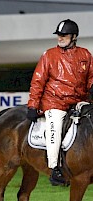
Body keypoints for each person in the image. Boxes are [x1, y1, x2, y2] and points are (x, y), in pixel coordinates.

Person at [27, 19, 93, 186]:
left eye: (64, 35)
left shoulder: (85, 54)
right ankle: (54, 168)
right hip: (54, 102)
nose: (60, 38)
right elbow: (37, 81)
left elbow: (91, 78)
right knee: (55, 127)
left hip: (79, 101)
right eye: (59, 35)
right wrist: (33, 105)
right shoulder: (49, 55)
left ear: (74, 37)